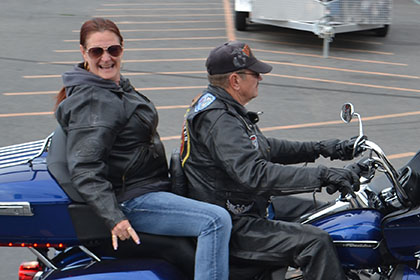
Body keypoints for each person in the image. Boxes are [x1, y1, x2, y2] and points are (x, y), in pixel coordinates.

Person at [53, 18, 232, 280]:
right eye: (96, 51)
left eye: (113, 50)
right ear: (83, 53)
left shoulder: (114, 86)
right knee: (216, 220)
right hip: (134, 199)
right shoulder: (94, 101)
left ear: (122, 49)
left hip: (150, 185)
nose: (106, 58)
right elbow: (86, 169)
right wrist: (115, 217)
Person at [179, 41, 360, 280]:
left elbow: (264, 147)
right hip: (234, 223)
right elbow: (254, 173)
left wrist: (325, 148)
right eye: (255, 74)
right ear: (235, 80)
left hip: (246, 204)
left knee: (330, 214)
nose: (260, 79)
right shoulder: (218, 119)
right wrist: (323, 175)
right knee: (315, 242)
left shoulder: (225, 108)